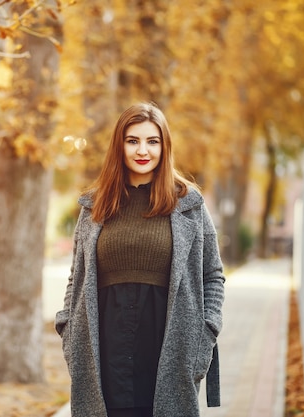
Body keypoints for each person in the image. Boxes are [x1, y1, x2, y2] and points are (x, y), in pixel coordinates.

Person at [55, 102, 226, 417]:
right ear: (119, 145)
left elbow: (212, 276)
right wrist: (68, 330)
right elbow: (76, 277)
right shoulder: (94, 207)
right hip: (104, 355)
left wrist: (205, 335)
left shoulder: (189, 204)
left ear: (165, 146)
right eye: (132, 140)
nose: (142, 150)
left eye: (152, 141)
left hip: (169, 352)